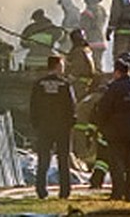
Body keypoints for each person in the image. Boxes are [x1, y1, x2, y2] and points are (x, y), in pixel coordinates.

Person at [94, 57, 130, 203]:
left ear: (117, 72)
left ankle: (117, 193)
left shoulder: (113, 88)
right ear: (128, 71)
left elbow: (104, 109)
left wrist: (100, 126)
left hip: (115, 131)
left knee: (116, 163)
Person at [29, 55, 76, 199]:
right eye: (61, 65)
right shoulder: (64, 84)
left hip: (44, 126)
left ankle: (41, 190)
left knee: (43, 158)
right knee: (63, 158)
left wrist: (36, 123)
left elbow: (33, 105)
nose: (63, 67)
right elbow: (71, 106)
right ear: (57, 66)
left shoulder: (39, 84)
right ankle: (64, 191)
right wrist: (70, 122)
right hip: (62, 127)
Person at [78, 0, 108, 72]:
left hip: (92, 41)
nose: (84, 2)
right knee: (99, 64)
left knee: (93, 66)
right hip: (101, 40)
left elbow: (83, 27)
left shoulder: (88, 11)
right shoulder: (102, 9)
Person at [64, 29, 96, 94]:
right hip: (84, 83)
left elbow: (78, 67)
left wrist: (69, 78)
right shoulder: (86, 50)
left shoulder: (78, 51)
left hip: (78, 84)